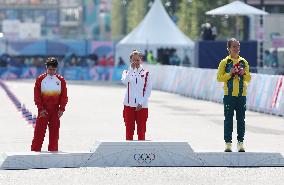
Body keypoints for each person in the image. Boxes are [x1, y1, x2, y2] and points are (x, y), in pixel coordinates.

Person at [217, 38, 251, 152]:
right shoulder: (224, 62)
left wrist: (244, 73)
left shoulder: (244, 62)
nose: (237, 48)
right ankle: (228, 143)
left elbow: (249, 78)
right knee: (228, 120)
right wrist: (230, 73)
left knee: (241, 120)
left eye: (238, 46)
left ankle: (240, 143)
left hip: (242, 95)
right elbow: (219, 78)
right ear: (229, 48)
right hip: (229, 96)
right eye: (234, 46)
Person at [31, 57, 68, 152]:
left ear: (56, 69)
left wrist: (61, 109)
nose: (51, 71)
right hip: (43, 110)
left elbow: (64, 96)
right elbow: (37, 96)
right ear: (46, 68)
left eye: (53, 70)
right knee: (39, 133)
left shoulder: (61, 80)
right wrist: (40, 108)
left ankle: (53, 151)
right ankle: (35, 151)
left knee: (54, 134)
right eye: (50, 69)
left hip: (55, 111)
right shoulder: (40, 79)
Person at [121, 50, 152, 140]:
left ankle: (141, 153)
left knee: (141, 131)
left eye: (137, 60)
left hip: (142, 106)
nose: (136, 62)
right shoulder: (126, 72)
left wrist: (141, 103)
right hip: (128, 105)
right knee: (129, 131)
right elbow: (125, 81)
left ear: (141, 60)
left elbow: (148, 90)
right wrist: (131, 70)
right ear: (130, 61)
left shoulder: (146, 73)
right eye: (133, 60)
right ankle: (128, 152)